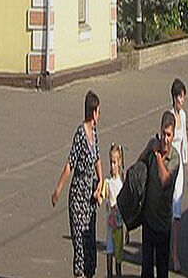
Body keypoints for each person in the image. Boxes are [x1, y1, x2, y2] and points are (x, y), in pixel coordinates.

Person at [52, 90, 105, 278]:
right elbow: (70, 164)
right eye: (98, 111)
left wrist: (101, 179)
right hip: (78, 198)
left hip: (90, 198)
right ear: (93, 113)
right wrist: (58, 189)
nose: (99, 115)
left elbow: (97, 157)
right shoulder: (81, 134)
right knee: (80, 248)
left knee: (90, 244)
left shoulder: (94, 132)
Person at [136, 111, 180, 278]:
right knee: (146, 271)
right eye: (163, 133)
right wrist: (148, 150)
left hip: (163, 226)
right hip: (148, 221)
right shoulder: (153, 145)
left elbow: (164, 181)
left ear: (173, 135)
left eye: (169, 135)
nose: (165, 139)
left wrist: (157, 155)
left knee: (162, 272)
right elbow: (138, 164)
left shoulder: (174, 159)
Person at [169, 79, 188, 273]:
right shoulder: (169, 116)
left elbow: (185, 140)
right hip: (169, 168)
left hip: (180, 171)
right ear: (174, 97)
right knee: (165, 212)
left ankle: (175, 254)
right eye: (180, 97)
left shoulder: (183, 116)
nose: (183, 100)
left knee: (177, 215)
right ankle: (164, 250)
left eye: (184, 96)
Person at [103, 144, 125, 278]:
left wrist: (128, 228)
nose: (112, 166)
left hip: (119, 225)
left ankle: (118, 274)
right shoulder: (108, 182)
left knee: (118, 255)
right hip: (109, 225)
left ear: (120, 162)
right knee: (109, 251)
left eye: (115, 162)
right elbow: (102, 196)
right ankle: (109, 274)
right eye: (111, 162)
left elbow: (125, 207)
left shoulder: (121, 184)